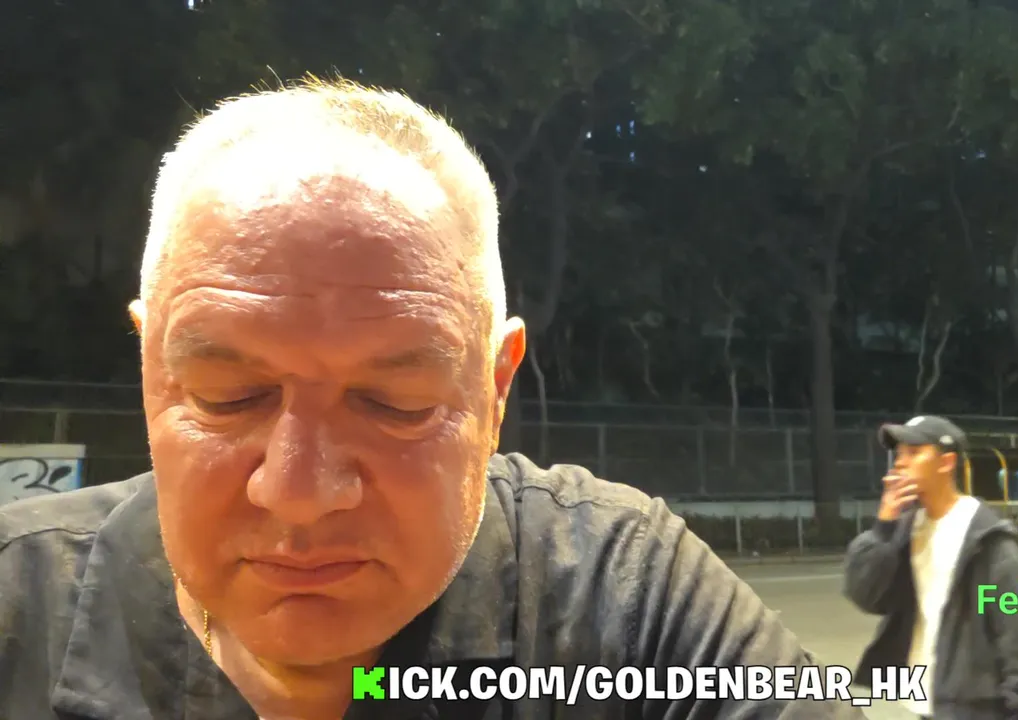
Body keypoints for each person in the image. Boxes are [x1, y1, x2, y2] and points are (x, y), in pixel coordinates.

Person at [0, 79, 862, 720]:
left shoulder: (622, 600)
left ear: (495, 388)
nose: (299, 491)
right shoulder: (16, 605)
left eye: (394, 401)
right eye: (229, 397)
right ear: (149, 364)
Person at [841, 415, 1018, 720]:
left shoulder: (990, 542)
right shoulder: (905, 531)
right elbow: (866, 596)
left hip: (976, 712)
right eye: (899, 454)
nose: (900, 463)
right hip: (926, 705)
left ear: (946, 463)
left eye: (914, 453)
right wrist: (883, 525)